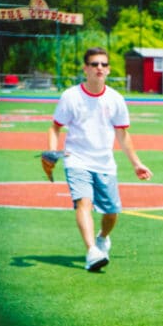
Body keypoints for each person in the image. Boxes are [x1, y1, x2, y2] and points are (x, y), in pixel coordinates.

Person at [48, 47, 153, 272]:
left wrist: (137, 163)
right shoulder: (71, 96)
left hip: (104, 163)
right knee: (83, 202)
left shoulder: (115, 99)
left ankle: (102, 238)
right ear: (85, 68)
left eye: (103, 64)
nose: (99, 68)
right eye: (94, 64)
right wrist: (52, 151)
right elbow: (55, 127)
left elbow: (123, 135)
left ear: (108, 69)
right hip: (76, 159)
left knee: (111, 212)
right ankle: (92, 252)